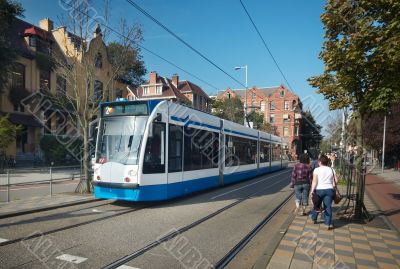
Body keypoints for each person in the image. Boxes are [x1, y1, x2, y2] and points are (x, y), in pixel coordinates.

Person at [309, 154, 336, 229]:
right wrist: (332, 185)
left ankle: (314, 219)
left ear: (320, 162)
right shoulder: (331, 169)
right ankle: (328, 224)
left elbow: (314, 181)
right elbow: (336, 181)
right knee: (328, 207)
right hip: (329, 190)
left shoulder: (317, 170)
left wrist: (312, 191)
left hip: (319, 190)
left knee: (316, 205)